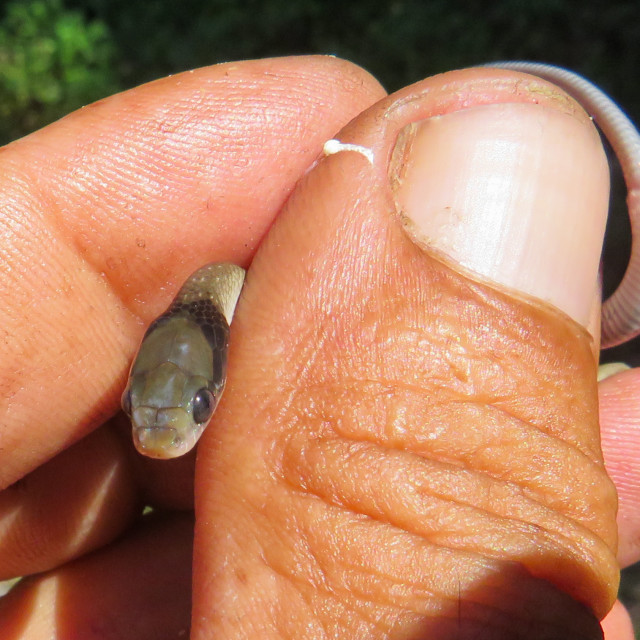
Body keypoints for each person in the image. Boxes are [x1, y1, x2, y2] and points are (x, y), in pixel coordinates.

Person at [0, 56, 636, 639]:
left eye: (194, 405)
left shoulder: (226, 303)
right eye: (145, 410)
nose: (156, 440)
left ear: (213, 375)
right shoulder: (217, 317)